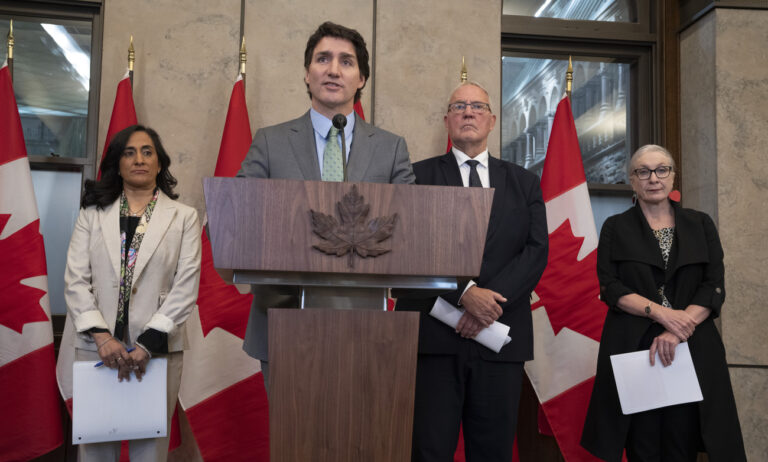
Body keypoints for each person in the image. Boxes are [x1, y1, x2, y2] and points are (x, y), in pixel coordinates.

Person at [237, 21, 415, 379]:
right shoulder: (270, 142)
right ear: (307, 74)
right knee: (294, 436)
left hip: (369, 323)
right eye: (323, 59)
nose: (333, 70)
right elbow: (240, 215)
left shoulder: (390, 148)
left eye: (346, 62)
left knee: (364, 435)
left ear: (361, 78)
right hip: (283, 319)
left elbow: (411, 226)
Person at [395, 82, 548, 461]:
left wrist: (487, 305)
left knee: (493, 451)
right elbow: (405, 251)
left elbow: (535, 251)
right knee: (428, 449)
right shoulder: (416, 178)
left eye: (477, 106)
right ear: (447, 119)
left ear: (492, 120)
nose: (468, 112)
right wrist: (464, 296)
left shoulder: (524, 182)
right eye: (459, 106)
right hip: (433, 340)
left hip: (500, 336)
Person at [581, 145, 746, 462]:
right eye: (643, 171)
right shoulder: (616, 227)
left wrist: (677, 329)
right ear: (632, 180)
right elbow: (610, 287)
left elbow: (714, 285)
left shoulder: (701, 224)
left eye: (661, 170)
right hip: (635, 347)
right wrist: (662, 315)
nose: (653, 178)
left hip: (692, 345)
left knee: (682, 440)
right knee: (641, 442)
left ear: (672, 177)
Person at [60, 125, 202, 462]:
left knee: (148, 453)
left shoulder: (184, 218)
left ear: (159, 162)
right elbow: (76, 280)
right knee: (95, 451)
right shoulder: (91, 215)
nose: (139, 159)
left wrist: (148, 342)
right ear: (117, 163)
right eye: (129, 152)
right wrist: (102, 337)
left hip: (156, 350)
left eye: (147, 151)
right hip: (97, 349)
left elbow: (186, 285)